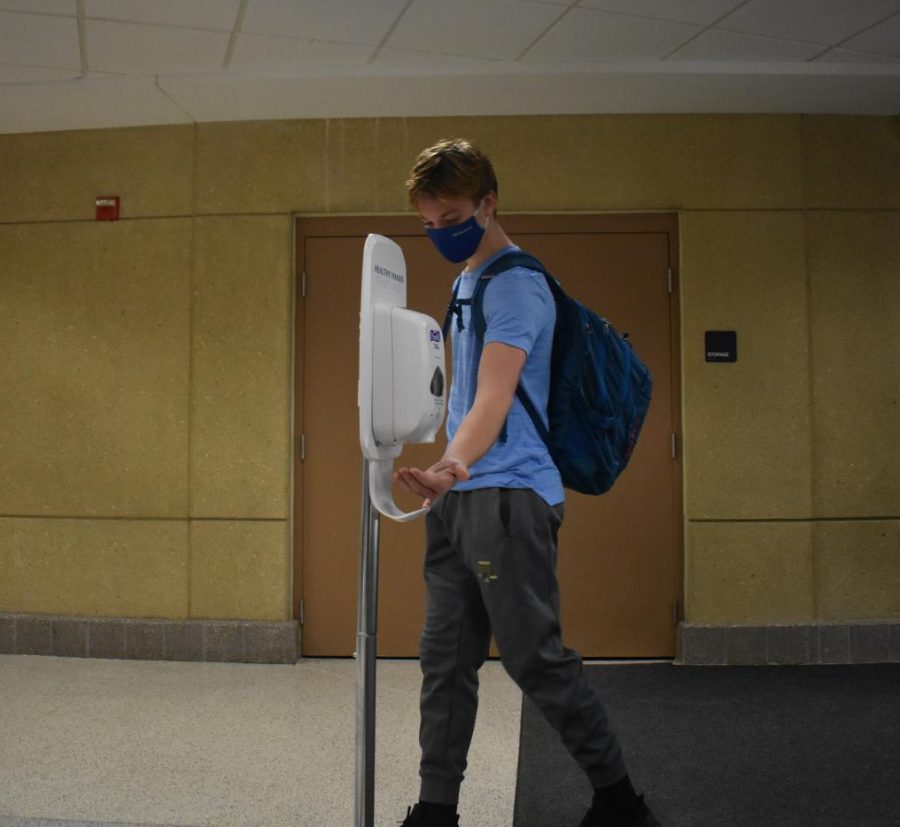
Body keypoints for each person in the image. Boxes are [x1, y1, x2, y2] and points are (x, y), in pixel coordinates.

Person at [395, 138, 661, 827]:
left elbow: (494, 393)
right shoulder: (464, 284)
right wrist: (449, 471)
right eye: (427, 223)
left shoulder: (515, 284)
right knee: (444, 662)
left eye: (451, 216)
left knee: (534, 657)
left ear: (489, 204)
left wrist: (452, 463)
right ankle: (435, 809)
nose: (439, 232)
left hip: (508, 495)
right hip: (462, 498)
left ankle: (620, 802)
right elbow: (460, 395)